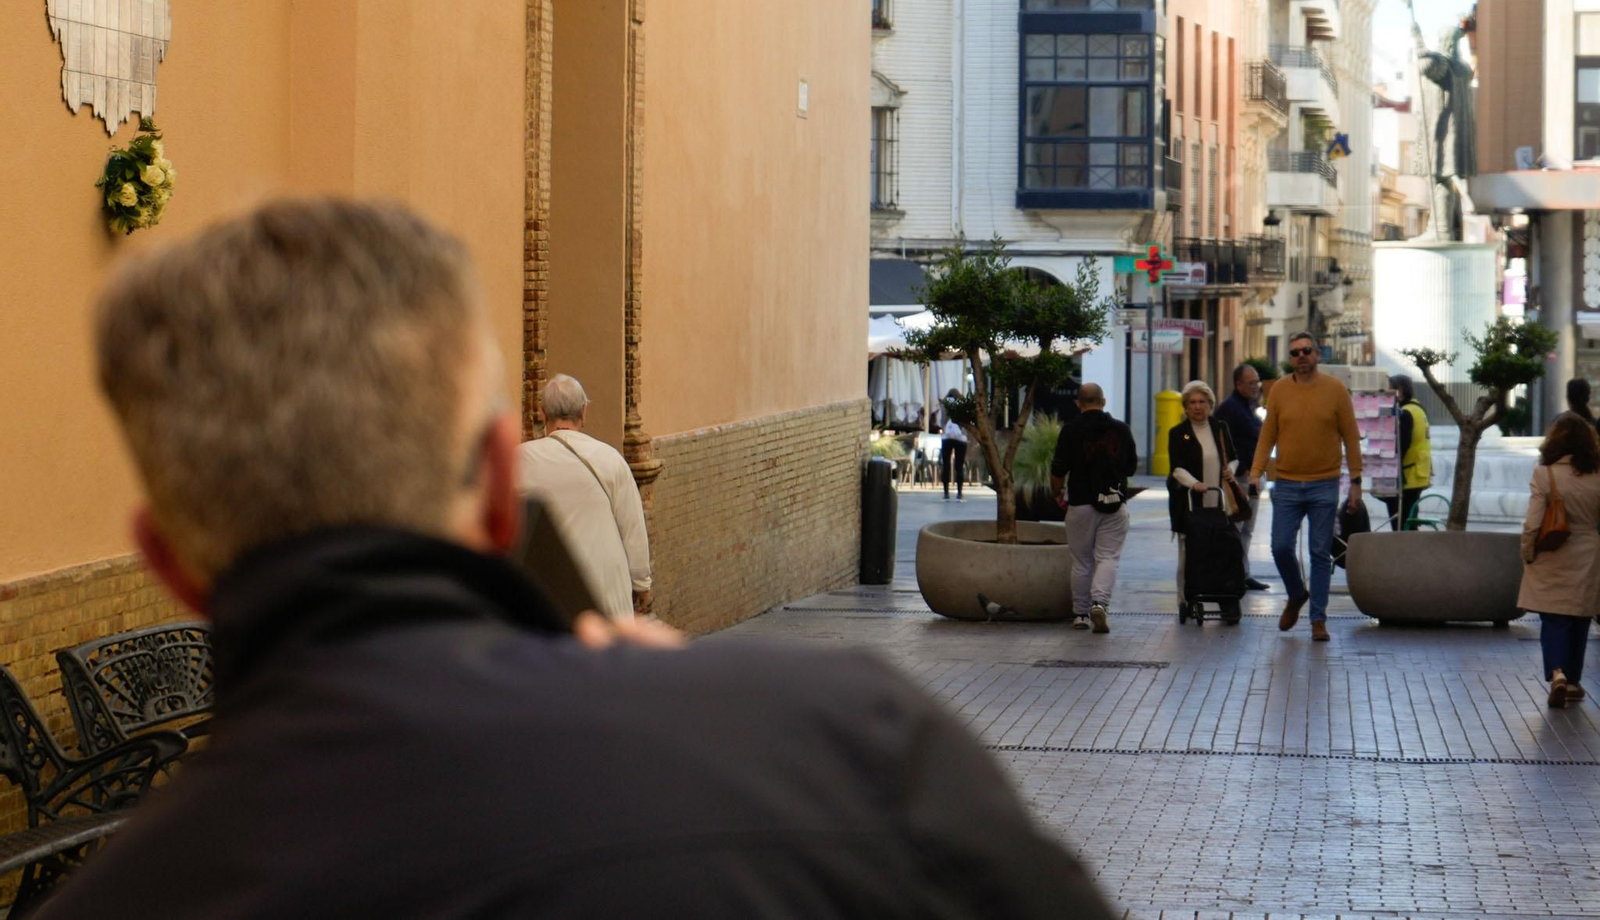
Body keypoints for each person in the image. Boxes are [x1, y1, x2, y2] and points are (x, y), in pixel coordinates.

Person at [40, 198, 1115, 919]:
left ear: (169, 562)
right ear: (497, 490)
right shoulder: (842, 743)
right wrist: (718, 721)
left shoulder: (126, 895)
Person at [1249, 331, 1363, 643]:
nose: (1300, 357)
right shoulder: (1280, 390)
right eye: (1295, 352)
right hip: (1286, 483)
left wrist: (1355, 481)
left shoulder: (1335, 390)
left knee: (1319, 553)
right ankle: (1297, 593)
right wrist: (1256, 473)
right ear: (1290, 358)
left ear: (1317, 354)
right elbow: (1267, 435)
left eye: (1306, 351)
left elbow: (1351, 437)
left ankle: (1318, 619)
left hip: (1324, 484)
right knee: (1280, 546)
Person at [517, 374, 652, 619]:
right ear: (583, 411)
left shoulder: (521, 460)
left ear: (542, 412)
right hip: (605, 591)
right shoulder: (610, 459)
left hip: (546, 594)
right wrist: (642, 585)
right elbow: (633, 529)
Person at [1518, 413, 1600, 708]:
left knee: (1553, 618)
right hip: (1588, 552)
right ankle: (1573, 681)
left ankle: (1558, 674)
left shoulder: (1545, 474)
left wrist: (1528, 552)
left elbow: (1533, 522)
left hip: (1552, 551)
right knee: (1580, 617)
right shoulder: (1597, 474)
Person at [1049, 382, 1138, 634]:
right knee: (1108, 557)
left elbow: (1058, 469)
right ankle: (1099, 603)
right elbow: (1131, 467)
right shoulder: (1121, 430)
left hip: (1080, 503)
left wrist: (1057, 493)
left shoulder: (1070, 429)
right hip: (1113, 503)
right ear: (1104, 401)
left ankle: (1080, 615)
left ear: (1078, 403)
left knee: (1082, 562)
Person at [1167, 381, 1244, 621]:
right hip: (1190, 502)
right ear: (1185, 406)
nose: (1197, 407)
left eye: (1202, 402)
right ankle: (1185, 598)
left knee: (1222, 550)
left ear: (1210, 404)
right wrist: (1194, 484)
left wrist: (1231, 470)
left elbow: (1233, 458)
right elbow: (1176, 469)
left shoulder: (1220, 427)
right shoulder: (1178, 433)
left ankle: (1225, 598)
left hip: (1219, 500)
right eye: (1192, 402)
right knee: (1188, 553)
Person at [1214, 363, 1272, 592]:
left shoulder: (1250, 406)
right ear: (1238, 384)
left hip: (1254, 478)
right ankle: (1232, 574)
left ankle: (1243, 573)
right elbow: (1223, 445)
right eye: (1251, 382)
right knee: (1235, 529)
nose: (1256, 386)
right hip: (1240, 479)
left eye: (1257, 382)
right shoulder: (1230, 409)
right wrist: (1238, 470)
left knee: (1247, 529)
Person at [1378, 374, 1431, 531]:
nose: (1387, 394)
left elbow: (1401, 445)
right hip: (1418, 474)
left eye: (1390, 389)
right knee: (1410, 520)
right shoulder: (1418, 409)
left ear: (1399, 391)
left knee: (1401, 523)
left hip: (1406, 476)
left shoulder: (1405, 413)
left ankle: (1404, 547)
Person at [938, 388, 968, 500]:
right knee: (959, 466)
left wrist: (945, 430)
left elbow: (940, 421)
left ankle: (946, 493)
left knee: (946, 465)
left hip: (946, 438)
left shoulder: (944, 405)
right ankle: (959, 493)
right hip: (961, 438)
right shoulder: (963, 404)